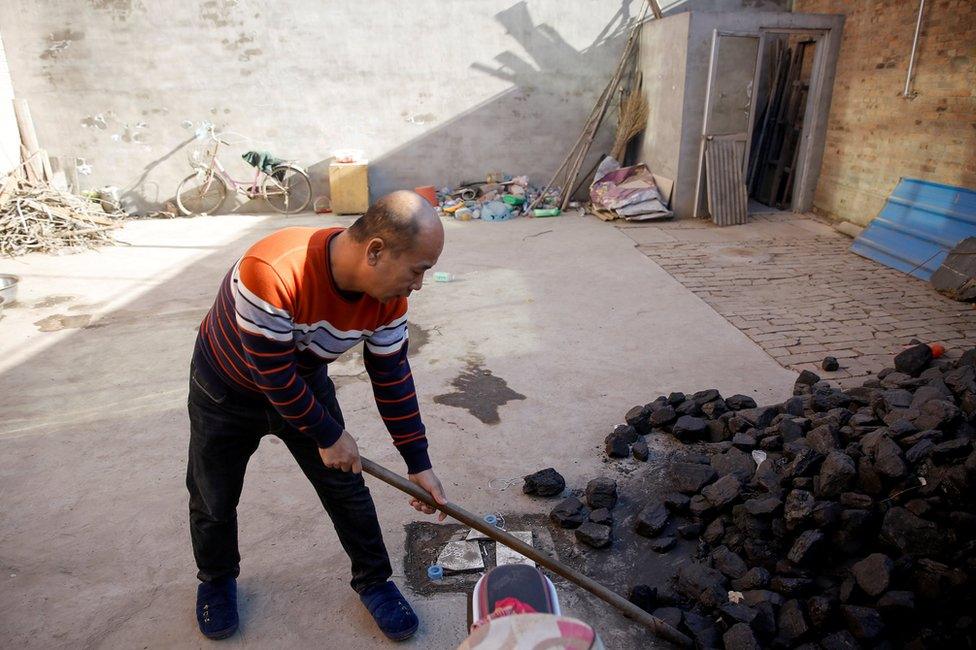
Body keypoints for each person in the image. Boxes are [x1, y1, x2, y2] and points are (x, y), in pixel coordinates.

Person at [186, 190, 447, 642]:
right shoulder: (271, 270)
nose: (418, 285)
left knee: (346, 487)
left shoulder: (390, 301)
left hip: (302, 382)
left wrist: (417, 461)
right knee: (213, 494)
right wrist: (329, 433)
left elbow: (392, 375)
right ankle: (216, 579)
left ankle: (375, 581)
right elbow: (272, 375)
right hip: (225, 390)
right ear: (376, 250)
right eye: (418, 270)